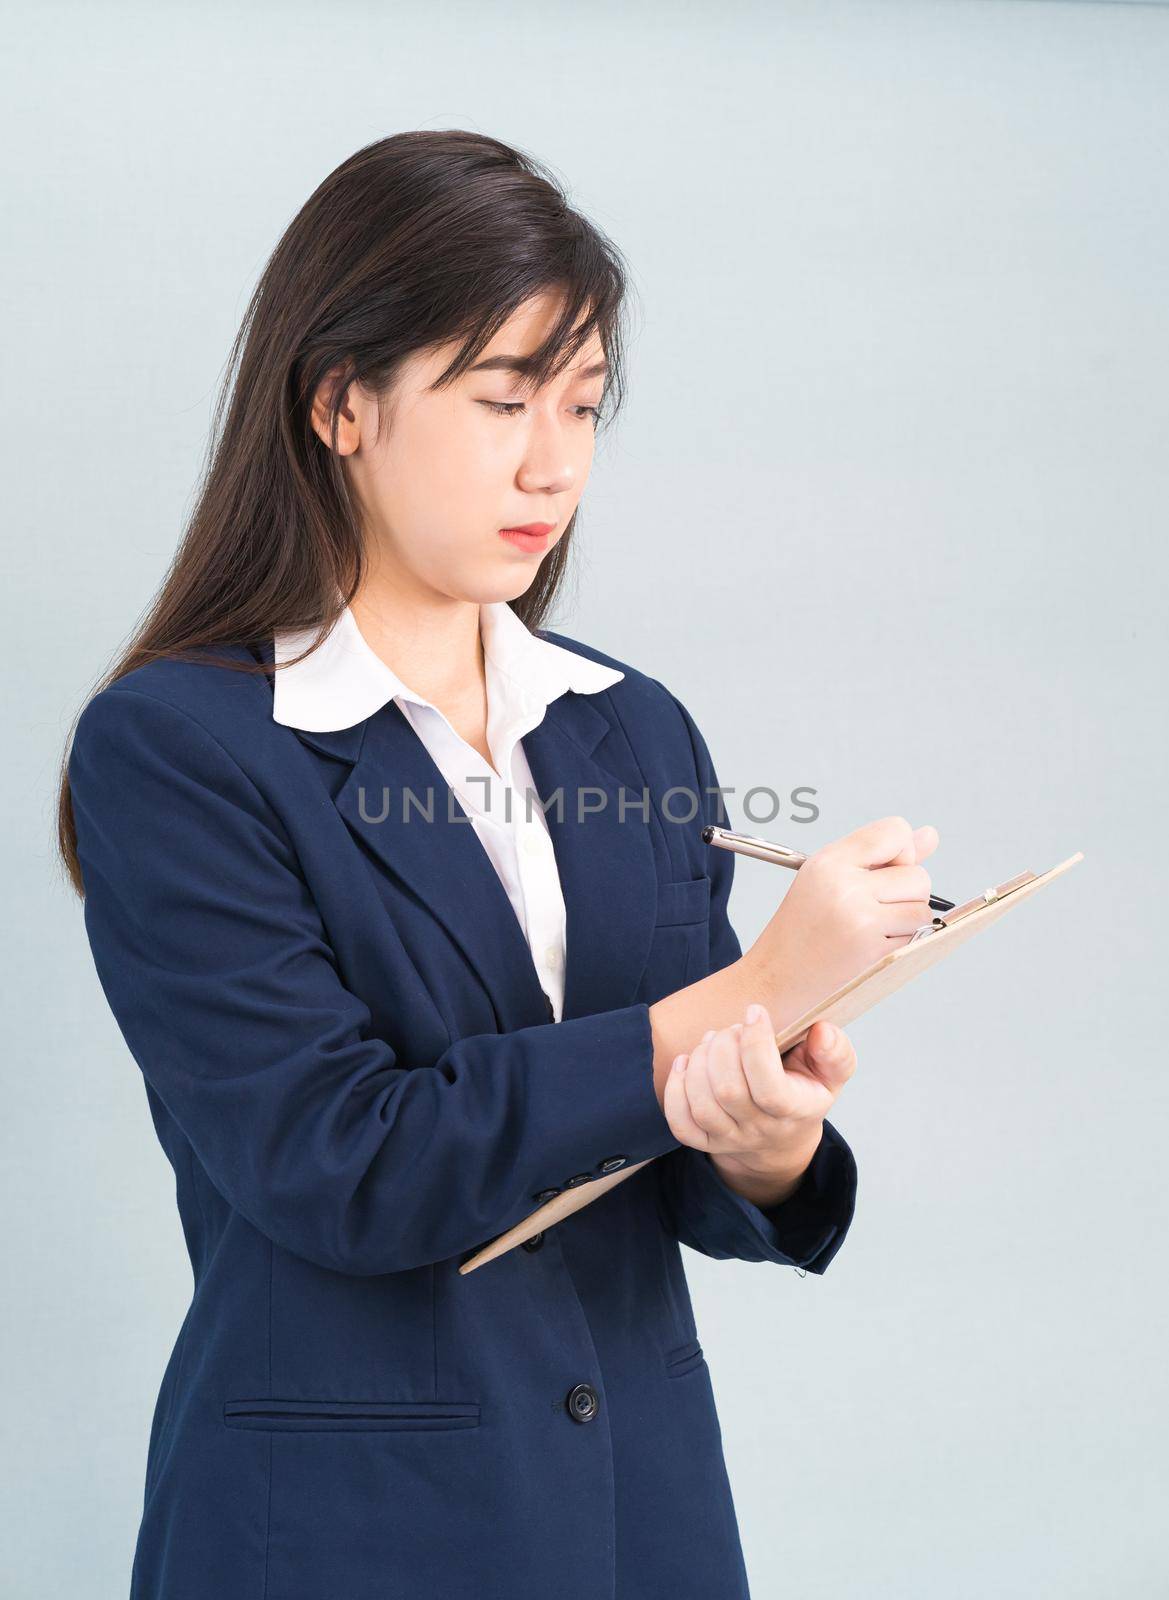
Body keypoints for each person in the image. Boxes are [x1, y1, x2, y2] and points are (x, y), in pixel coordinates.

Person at [57, 130, 937, 1600]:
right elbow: (343, 1160)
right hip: (342, 1533)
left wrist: (763, 1140)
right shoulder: (180, 746)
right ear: (340, 403)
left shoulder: (626, 729)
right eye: (501, 398)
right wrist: (751, 986)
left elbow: (661, 1164)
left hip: (635, 1520)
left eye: (583, 406)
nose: (554, 461)